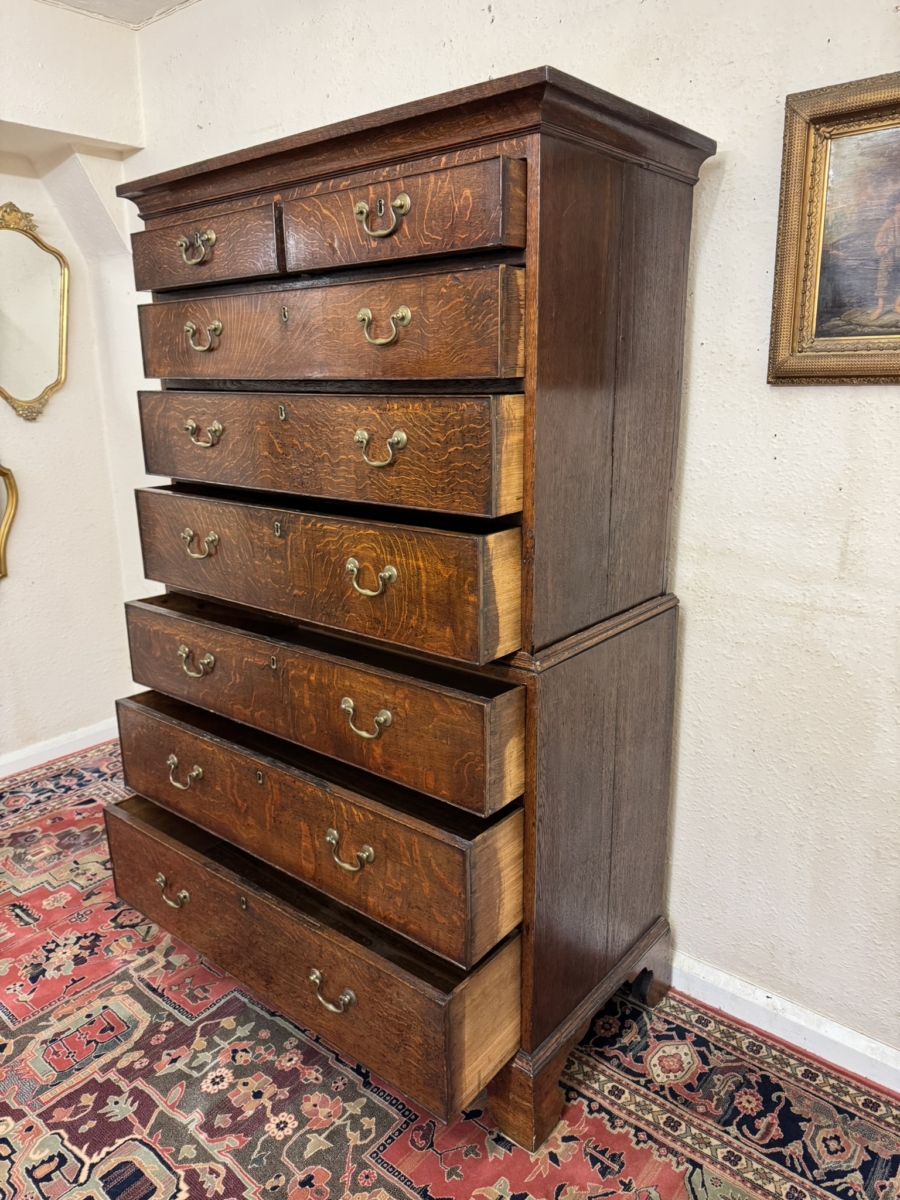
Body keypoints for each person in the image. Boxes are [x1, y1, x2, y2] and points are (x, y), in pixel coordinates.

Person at [871, 191, 900, 319]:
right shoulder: (888, 224)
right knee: (883, 282)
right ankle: (880, 307)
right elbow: (878, 244)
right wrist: (888, 250)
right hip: (889, 258)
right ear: (896, 206)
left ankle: (897, 305)